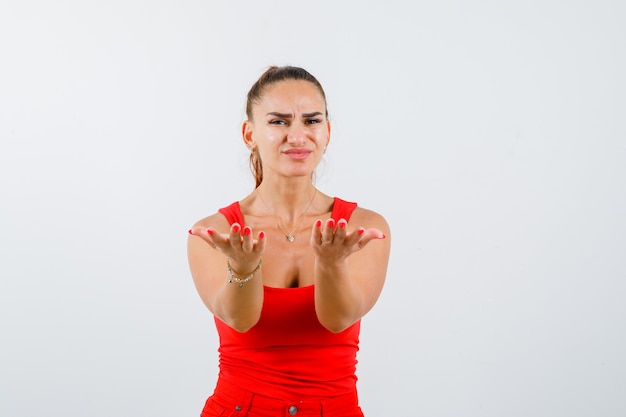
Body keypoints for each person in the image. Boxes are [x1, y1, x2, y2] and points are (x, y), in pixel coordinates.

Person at [187, 65, 391, 417]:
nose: (297, 137)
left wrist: (330, 263)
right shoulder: (216, 233)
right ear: (249, 134)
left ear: (327, 131)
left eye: (311, 122)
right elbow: (240, 319)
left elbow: (338, 319)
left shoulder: (363, 227)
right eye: (279, 122)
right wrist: (244, 267)